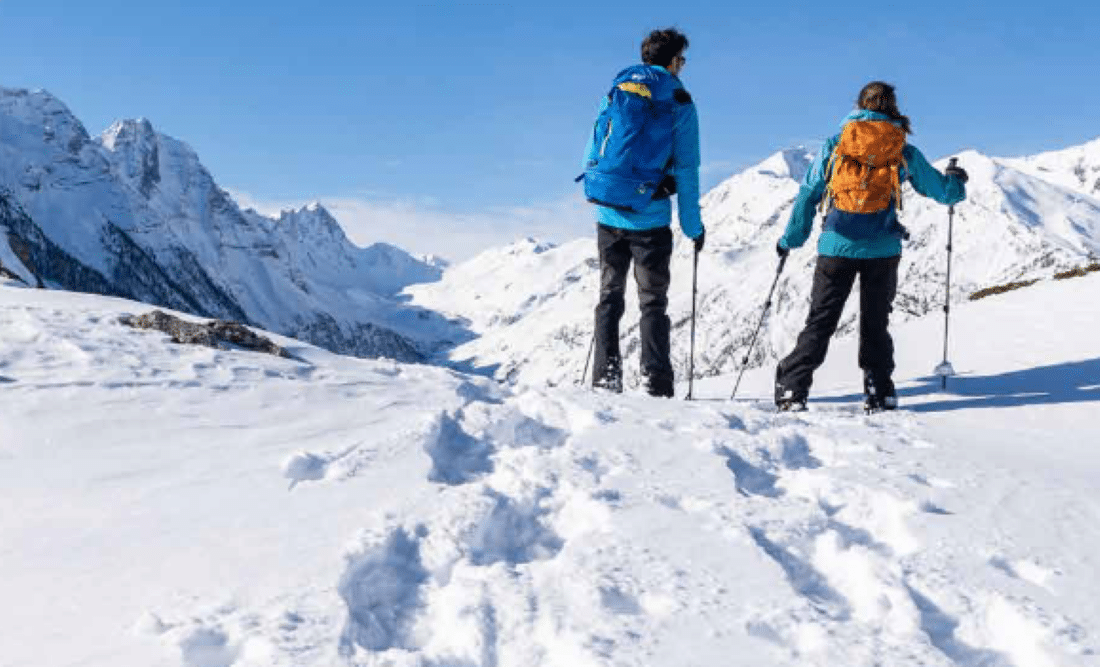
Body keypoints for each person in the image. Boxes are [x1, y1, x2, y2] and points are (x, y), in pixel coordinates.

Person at [774, 81, 968, 412]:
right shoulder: (901, 148)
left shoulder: (836, 145)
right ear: (892, 107)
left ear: (858, 105)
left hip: (836, 247)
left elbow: (808, 193)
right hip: (882, 249)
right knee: (875, 321)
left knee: (821, 319)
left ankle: (793, 387)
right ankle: (879, 389)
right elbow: (943, 193)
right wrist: (956, 181)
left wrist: (790, 239)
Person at [580, 28, 704, 397]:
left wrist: (597, 181)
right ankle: (656, 383)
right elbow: (686, 168)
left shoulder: (618, 89)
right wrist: (693, 227)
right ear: (672, 60)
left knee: (608, 298)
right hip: (650, 219)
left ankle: (605, 378)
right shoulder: (679, 101)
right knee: (652, 303)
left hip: (609, 212)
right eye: (682, 59)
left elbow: (595, 138)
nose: (683, 65)